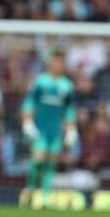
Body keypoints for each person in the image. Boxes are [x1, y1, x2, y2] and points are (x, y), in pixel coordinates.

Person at [20, 53, 78, 208]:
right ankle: (29, 191)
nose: (57, 65)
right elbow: (29, 101)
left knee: (51, 164)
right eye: (55, 62)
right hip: (40, 129)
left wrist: (71, 130)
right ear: (50, 63)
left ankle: (45, 197)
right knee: (37, 161)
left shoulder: (67, 85)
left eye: (60, 63)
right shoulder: (40, 81)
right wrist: (27, 122)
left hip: (56, 131)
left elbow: (69, 109)